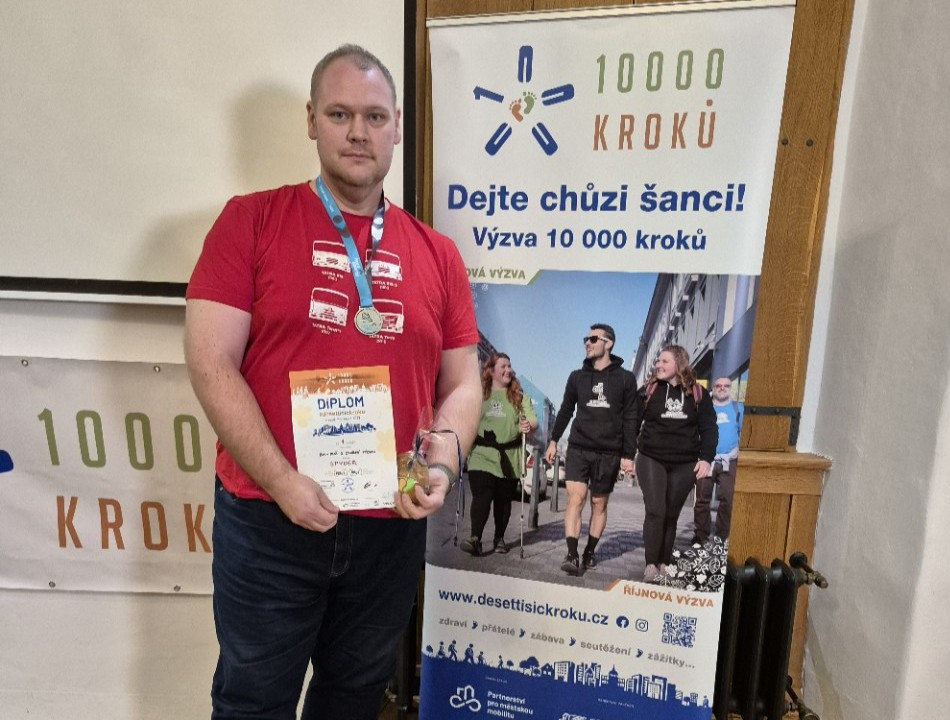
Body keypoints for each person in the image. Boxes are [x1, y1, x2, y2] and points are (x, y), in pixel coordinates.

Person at [184, 44, 481, 720]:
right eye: (340, 114)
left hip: (390, 525)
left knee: (352, 699)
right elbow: (210, 361)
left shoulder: (438, 254)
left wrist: (442, 463)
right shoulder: (251, 221)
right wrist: (283, 483)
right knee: (252, 702)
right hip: (270, 518)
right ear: (311, 120)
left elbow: (463, 383)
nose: (358, 132)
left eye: (375, 116)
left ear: (397, 127)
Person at [545, 324, 638, 574]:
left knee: (599, 504)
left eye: (593, 338)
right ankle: (572, 554)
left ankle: (589, 551)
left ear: (609, 343)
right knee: (575, 498)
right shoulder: (577, 377)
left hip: (609, 452)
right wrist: (554, 440)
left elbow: (631, 418)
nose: (587, 342)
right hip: (578, 447)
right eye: (585, 338)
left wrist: (628, 455)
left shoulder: (626, 379)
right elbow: (566, 410)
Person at [635, 345, 718, 582]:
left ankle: (664, 562)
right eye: (658, 361)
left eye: (664, 361)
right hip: (651, 457)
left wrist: (706, 458)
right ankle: (651, 564)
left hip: (684, 463)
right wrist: (626, 454)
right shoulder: (649, 390)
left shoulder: (698, 393)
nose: (658, 365)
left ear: (679, 363)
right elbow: (631, 422)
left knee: (671, 514)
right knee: (656, 510)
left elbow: (709, 429)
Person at [461, 353, 537, 555]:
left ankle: (499, 538)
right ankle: (475, 538)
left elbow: (533, 420)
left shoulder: (520, 397)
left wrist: (528, 425)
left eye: (510, 366)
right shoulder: (479, 395)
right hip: (482, 455)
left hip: (509, 458)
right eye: (503, 366)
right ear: (491, 370)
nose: (508, 370)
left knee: (503, 501)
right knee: (482, 495)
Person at [693, 377, 743, 544]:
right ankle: (701, 535)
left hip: (730, 459)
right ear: (713, 388)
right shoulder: (704, 407)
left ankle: (721, 536)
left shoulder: (738, 408)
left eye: (726, 386)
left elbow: (745, 433)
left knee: (728, 499)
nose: (722, 388)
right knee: (702, 499)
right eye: (718, 385)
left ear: (731, 388)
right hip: (706, 459)